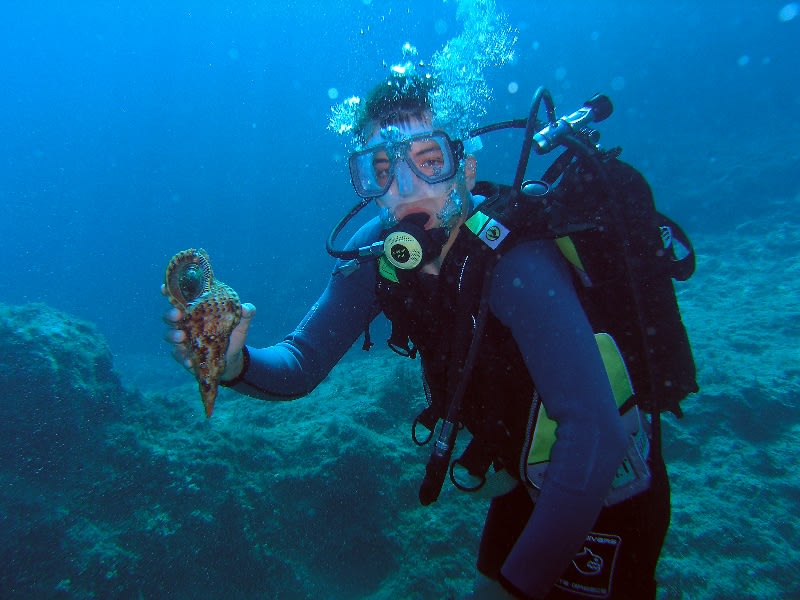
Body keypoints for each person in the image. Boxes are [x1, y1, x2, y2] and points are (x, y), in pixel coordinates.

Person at [163, 73, 672, 599]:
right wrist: (235, 363)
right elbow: (300, 361)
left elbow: (595, 435)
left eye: (429, 161)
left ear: (466, 169)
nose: (406, 189)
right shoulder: (380, 252)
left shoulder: (517, 262)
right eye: (382, 169)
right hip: (525, 474)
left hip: (609, 487)